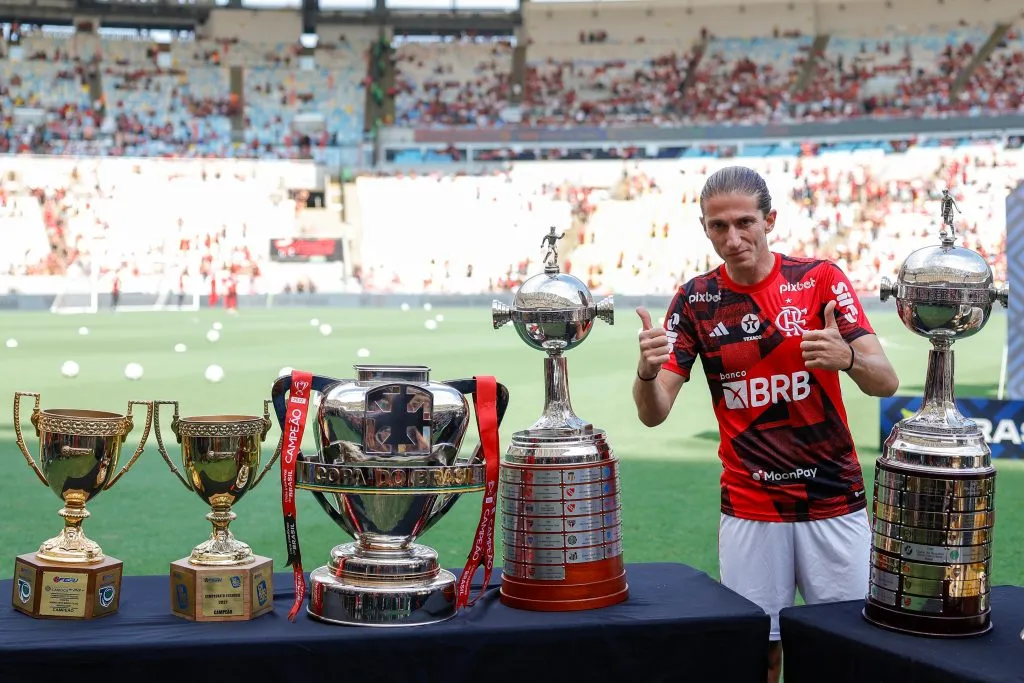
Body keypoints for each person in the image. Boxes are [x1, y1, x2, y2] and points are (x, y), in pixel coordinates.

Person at [632, 166, 898, 683]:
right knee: (758, 651)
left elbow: (884, 382)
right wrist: (645, 374)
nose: (733, 239)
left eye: (744, 222)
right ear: (705, 229)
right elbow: (654, 410)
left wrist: (848, 358)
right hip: (751, 508)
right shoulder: (694, 300)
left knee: (848, 649)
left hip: (833, 500)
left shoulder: (819, 279)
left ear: (770, 219)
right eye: (718, 227)